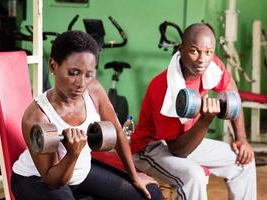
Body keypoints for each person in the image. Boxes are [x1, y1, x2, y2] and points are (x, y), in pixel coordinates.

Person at [11, 30, 162, 200]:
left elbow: (117, 131)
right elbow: (52, 181)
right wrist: (72, 154)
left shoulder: (94, 90)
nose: (81, 83)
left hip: (81, 174)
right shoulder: (38, 116)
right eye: (73, 73)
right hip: (38, 180)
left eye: (89, 74)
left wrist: (134, 175)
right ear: (54, 66)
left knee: (151, 194)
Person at [130, 23, 257, 200]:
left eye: (208, 52)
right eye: (194, 51)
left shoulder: (213, 66)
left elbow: (232, 94)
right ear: (181, 49)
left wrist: (241, 139)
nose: (202, 59)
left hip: (186, 139)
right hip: (150, 148)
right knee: (193, 176)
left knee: (243, 161)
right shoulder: (164, 88)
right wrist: (205, 120)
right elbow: (178, 151)